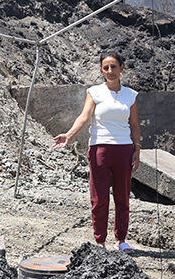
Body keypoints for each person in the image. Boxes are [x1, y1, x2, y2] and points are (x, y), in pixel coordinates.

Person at [53, 51, 141, 251]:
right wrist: (69, 135)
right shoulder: (94, 92)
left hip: (124, 149)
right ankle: (100, 241)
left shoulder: (131, 95)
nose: (110, 71)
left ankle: (121, 240)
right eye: (106, 68)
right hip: (100, 149)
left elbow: (134, 124)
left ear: (121, 68)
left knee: (122, 197)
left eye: (114, 67)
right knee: (99, 197)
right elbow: (84, 117)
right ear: (101, 71)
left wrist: (137, 148)